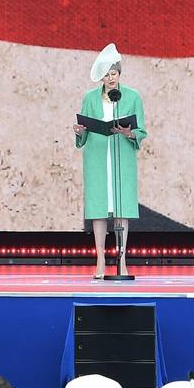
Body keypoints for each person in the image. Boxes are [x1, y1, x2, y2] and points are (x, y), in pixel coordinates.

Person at [72, 44, 147, 280]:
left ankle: (122, 261)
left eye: (114, 73)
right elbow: (82, 135)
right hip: (97, 156)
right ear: (101, 78)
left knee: (121, 207)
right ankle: (101, 260)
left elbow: (141, 130)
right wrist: (79, 131)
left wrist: (129, 133)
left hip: (121, 156)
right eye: (106, 75)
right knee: (99, 209)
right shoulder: (90, 98)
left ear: (119, 73)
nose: (110, 78)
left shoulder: (133, 96)